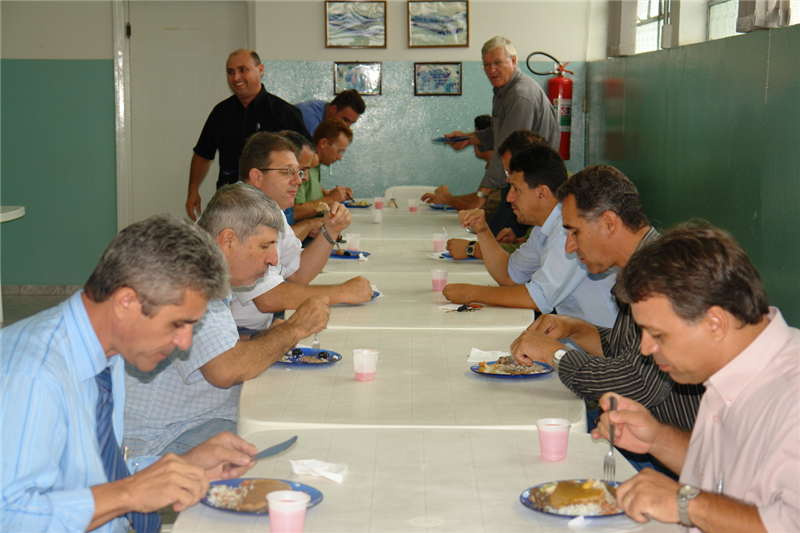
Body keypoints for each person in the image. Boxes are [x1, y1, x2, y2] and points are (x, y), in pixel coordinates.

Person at [1, 214, 259, 533]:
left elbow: (91, 479)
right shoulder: (32, 377)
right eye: (178, 324)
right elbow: (9, 517)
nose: (185, 342)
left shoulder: (107, 355)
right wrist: (130, 494)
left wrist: (179, 466)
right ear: (126, 302)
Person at [591, 222, 799, 532]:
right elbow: (732, 473)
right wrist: (659, 439)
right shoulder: (733, 364)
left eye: (657, 333)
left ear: (714, 323)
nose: (645, 348)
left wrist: (686, 502)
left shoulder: (790, 394)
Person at [509, 165, 705, 457]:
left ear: (609, 223)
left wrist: (556, 354)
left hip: (671, 457)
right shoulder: (642, 264)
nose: (571, 247)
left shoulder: (662, 279)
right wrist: (574, 328)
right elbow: (625, 349)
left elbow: (638, 383)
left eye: (574, 232)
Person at [124, 184, 330, 457]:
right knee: (294, 446)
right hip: (165, 437)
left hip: (197, 416)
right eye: (265, 245)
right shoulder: (192, 278)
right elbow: (225, 370)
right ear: (228, 240)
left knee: (296, 410)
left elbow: (216, 348)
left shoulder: (203, 265)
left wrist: (265, 338)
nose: (273, 258)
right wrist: (296, 328)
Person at [442, 145, 618, 328]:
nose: (509, 197)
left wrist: (473, 293)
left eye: (516, 189)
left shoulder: (567, 232)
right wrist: (483, 231)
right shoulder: (543, 228)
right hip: (578, 340)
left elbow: (537, 297)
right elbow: (509, 275)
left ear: (542, 194)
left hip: (606, 346)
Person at [231, 132, 373, 334]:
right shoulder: (241, 213)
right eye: (288, 172)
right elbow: (269, 298)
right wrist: (342, 292)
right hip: (233, 336)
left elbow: (298, 273)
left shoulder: (270, 209)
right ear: (256, 177)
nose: (299, 181)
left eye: (299, 172)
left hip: (253, 328)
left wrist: (331, 230)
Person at [441, 36, 560, 220]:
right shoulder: (504, 92)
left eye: (497, 63)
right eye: (486, 65)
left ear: (513, 61)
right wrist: (470, 138)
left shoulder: (520, 95)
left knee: (500, 238)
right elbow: (500, 130)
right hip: (521, 184)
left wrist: (480, 197)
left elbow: (505, 149)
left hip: (533, 189)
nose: (492, 70)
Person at [186, 49, 311, 221]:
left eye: (242, 69)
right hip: (230, 205)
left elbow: (309, 155)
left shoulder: (285, 112)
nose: (236, 77)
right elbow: (203, 154)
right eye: (230, 72)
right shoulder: (220, 113)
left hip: (274, 207)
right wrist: (193, 189)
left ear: (260, 69)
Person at [446, 129, 545, 260]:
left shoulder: (562, 199)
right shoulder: (541, 189)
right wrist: (519, 241)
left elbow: (532, 259)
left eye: (510, 172)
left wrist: (473, 249)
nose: (507, 180)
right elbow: (538, 244)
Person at [421, 114, 494, 211]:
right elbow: (480, 197)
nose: (473, 144)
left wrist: (448, 198)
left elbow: (482, 207)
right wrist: (446, 199)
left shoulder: (500, 169)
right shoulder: (492, 166)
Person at [293, 118, 355, 222]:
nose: (340, 157)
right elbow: (295, 212)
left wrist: (332, 193)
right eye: (339, 151)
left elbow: (313, 194)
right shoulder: (303, 167)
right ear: (324, 143)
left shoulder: (316, 166)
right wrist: (330, 199)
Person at [279, 130, 325, 240]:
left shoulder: (286, 192)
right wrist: (310, 225)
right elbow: (278, 241)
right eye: (301, 170)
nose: (304, 178)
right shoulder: (251, 200)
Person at [295, 89, 366, 136]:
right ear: (333, 109)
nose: (347, 126)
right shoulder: (310, 118)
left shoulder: (325, 109)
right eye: (345, 120)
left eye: (351, 122)